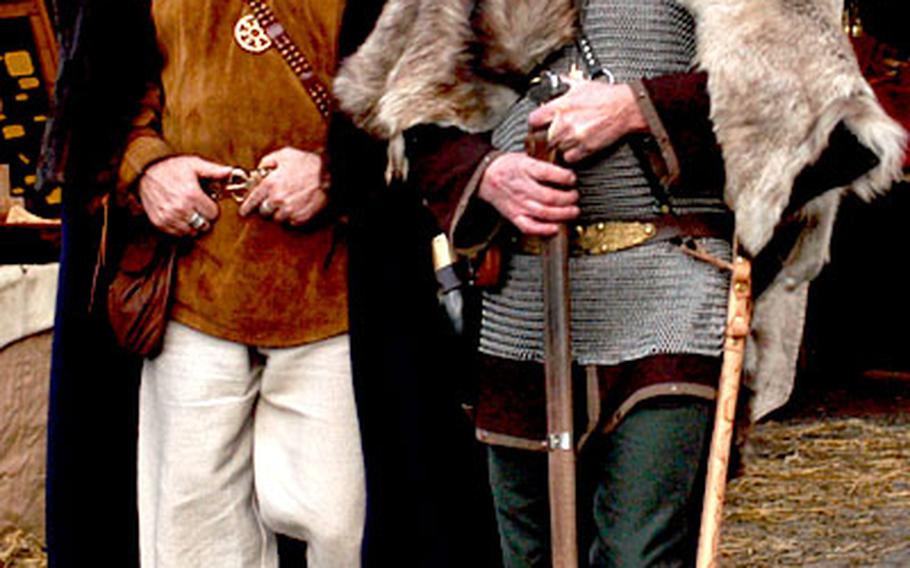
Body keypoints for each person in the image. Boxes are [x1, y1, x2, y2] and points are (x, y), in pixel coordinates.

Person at [333, 0, 906, 565]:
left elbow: (834, 124)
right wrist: (486, 175)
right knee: (527, 552)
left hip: (671, 295)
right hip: (523, 303)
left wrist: (639, 108)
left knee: (639, 551)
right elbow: (406, 112)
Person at [42, 1, 364, 566]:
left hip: (333, 290)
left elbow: (420, 88)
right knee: (195, 536)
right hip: (193, 286)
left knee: (343, 528)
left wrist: (338, 171)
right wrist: (146, 167)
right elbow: (110, 87)